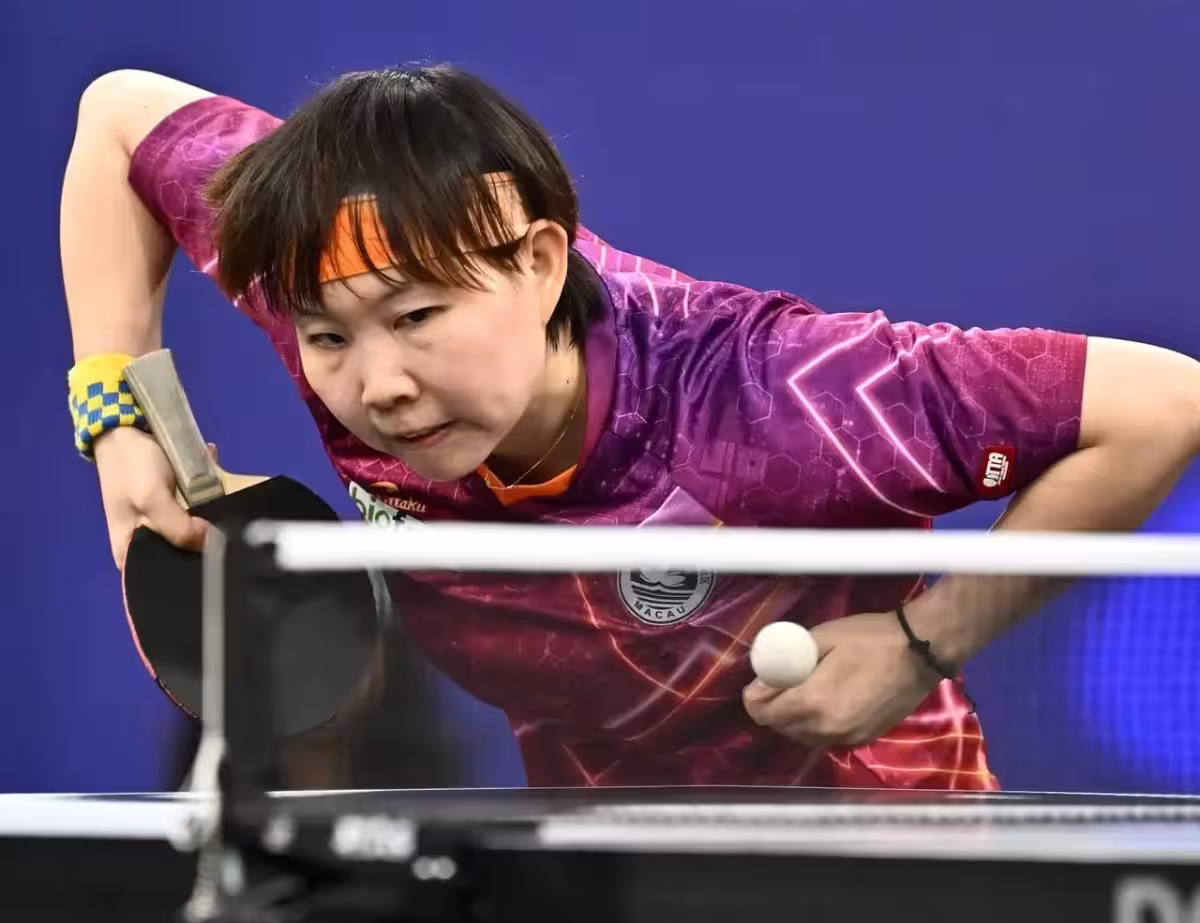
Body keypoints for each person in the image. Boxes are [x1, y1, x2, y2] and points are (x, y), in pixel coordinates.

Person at [62, 65, 1200, 790]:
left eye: (418, 319)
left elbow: (1163, 405)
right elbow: (117, 117)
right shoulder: (326, 261)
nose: (379, 387)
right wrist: (120, 424)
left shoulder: (779, 395)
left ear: (539, 260)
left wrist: (923, 645)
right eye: (326, 339)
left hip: (883, 857)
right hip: (604, 865)